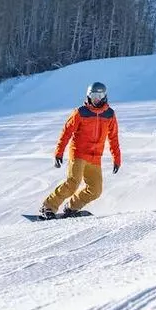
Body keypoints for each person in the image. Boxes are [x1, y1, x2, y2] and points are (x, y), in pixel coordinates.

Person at [39, 81, 121, 219]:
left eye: (100, 95)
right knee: (73, 183)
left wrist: (117, 158)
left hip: (95, 157)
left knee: (95, 190)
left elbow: (113, 137)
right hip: (79, 154)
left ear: (105, 96)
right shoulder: (80, 112)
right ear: (89, 95)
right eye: (94, 95)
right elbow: (66, 132)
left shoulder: (109, 115)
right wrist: (59, 152)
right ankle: (48, 206)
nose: (97, 98)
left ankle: (72, 207)